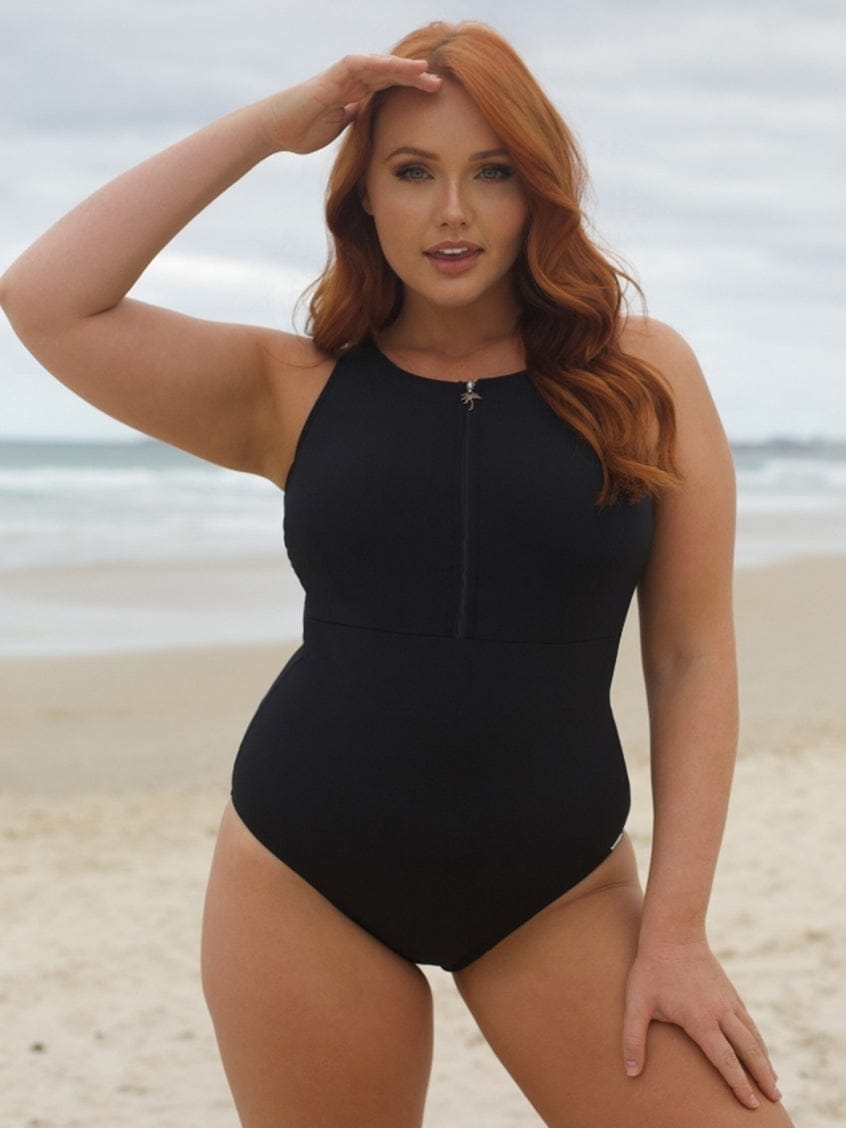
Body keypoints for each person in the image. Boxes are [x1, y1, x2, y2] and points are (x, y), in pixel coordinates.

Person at [0, 20, 794, 1128]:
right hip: (305, 876)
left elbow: (693, 654)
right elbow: (47, 296)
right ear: (363, 195)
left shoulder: (642, 374)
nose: (454, 213)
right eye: (412, 172)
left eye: (493, 173)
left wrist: (675, 931)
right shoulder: (291, 386)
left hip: (557, 887)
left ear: (539, 192)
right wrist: (273, 127)